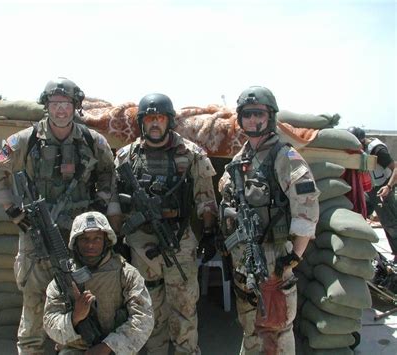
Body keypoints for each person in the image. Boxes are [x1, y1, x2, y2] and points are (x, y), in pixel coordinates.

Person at [0, 77, 120, 355]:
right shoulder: (25, 140)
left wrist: (99, 204)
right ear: (46, 106)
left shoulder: (92, 141)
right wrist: (13, 212)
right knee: (34, 304)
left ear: (75, 107)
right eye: (55, 104)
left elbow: (109, 173)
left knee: (78, 300)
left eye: (66, 104)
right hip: (37, 235)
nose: (61, 110)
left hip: (79, 238)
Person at [218, 86, 320, 354]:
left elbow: (307, 211)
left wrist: (292, 259)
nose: (253, 120)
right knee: (250, 329)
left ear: (270, 116)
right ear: (240, 119)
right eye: (247, 114)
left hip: (275, 264)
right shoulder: (240, 160)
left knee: (275, 333)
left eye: (259, 114)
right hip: (244, 264)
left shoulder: (285, 157)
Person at [114, 93, 218, 354]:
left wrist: (208, 233)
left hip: (179, 242)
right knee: (148, 309)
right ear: (142, 123)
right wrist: (117, 240)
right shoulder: (126, 157)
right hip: (140, 244)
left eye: (160, 118)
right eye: (150, 118)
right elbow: (114, 200)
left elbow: (206, 198)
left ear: (169, 121)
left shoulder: (191, 154)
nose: (155, 124)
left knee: (184, 309)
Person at [43, 211, 154, 354]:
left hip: (117, 348)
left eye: (97, 239)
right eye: (84, 239)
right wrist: (75, 317)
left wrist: (107, 346)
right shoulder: (64, 278)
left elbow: (144, 319)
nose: (90, 244)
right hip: (76, 349)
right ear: (75, 243)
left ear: (106, 241)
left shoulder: (126, 274)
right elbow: (50, 322)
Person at [348, 126, 397, 262]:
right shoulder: (361, 152)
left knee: (391, 223)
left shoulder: (377, 150)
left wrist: (388, 187)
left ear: (362, 141)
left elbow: (396, 168)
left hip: (383, 188)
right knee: (358, 212)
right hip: (370, 189)